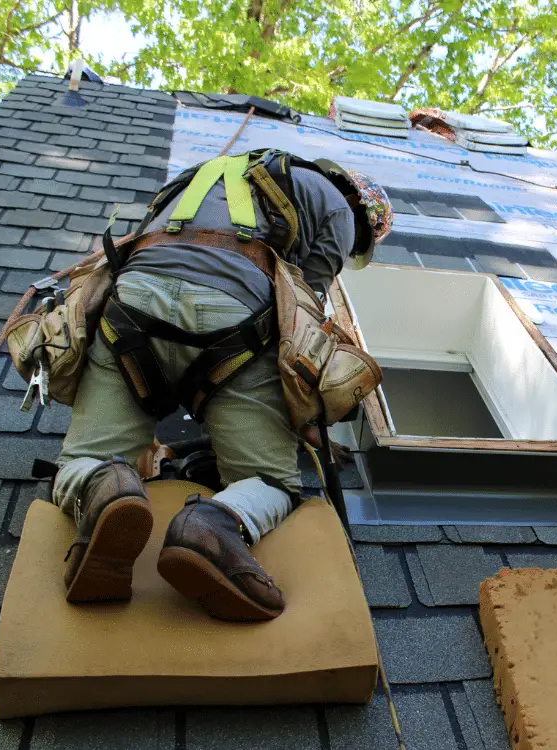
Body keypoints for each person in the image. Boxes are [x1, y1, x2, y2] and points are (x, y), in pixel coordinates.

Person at [50, 150, 392, 620]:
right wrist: (303, 417)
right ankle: (210, 528)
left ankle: (102, 484)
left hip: (130, 304)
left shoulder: (196, 178)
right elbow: (300, 316)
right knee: (270, 482)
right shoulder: (338, 208)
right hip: (235, 320)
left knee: (83, 458)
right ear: (360, 208)